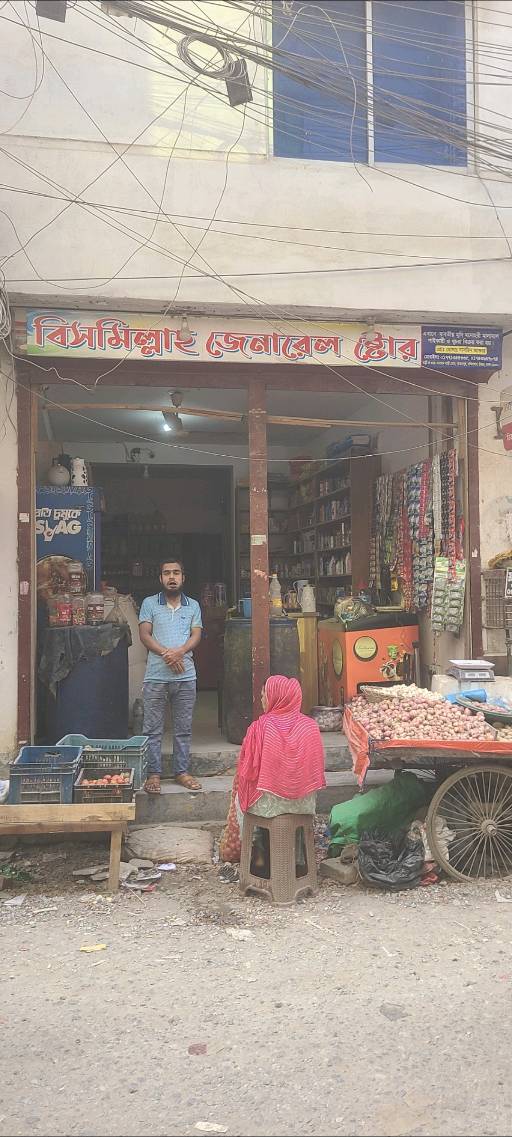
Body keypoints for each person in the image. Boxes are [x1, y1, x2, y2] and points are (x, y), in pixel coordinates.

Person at [219, 675, 326, 864]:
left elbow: (248, 771)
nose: (262, 699)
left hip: (269, 809)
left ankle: (259, 854)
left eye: (264, 695)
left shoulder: (260, 727)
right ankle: (297, 859)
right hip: (303, 804)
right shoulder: (310, 726)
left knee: (242, 797)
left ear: (275, 697)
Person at [139, 559, 203, 794]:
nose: (172, 577)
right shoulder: (149, 603)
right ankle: (153, 774)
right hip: (156, 676)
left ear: (183, 578)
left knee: (183, 729)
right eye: (167, 573)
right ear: (161, 578)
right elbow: (144, 634)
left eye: (176, 573)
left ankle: (182, 772)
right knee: (152, 729)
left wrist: (180, 652)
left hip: (185, 677)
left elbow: (196, 635)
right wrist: (168, 654)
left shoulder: (193, 605)